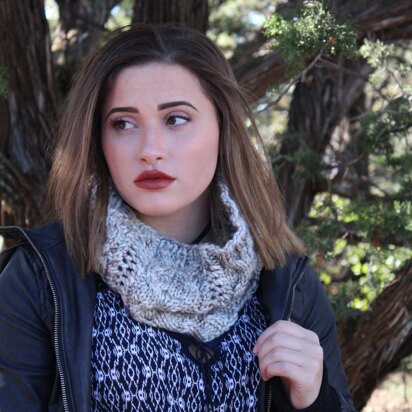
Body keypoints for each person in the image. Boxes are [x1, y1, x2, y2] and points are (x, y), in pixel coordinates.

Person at [0, 24, 356, 411]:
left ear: (223, 127)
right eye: (123, 123)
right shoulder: (41, 277)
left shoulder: (288, 282)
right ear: (97, 140)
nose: (150, 150)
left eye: (176, 119)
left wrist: (315, 401)